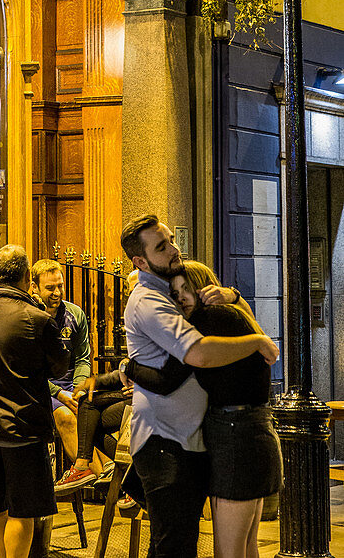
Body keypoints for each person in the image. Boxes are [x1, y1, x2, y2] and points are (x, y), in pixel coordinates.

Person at [120, 215, 279, 558]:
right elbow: (194, 358)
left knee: (201, 543)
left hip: (212, 436)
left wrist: (235, 301)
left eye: (170, 240)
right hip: (170, 440)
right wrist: (256, 341)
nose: (174, 249)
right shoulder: (150, 301)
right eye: (162, 246)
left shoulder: (200, 311)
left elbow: (182, 367)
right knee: (177, 545)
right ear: (140, 261)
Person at [169, 261, 282, 558]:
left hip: (236, 435)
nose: (180, 297)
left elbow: (185, 365)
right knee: (246, 548)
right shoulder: (229, 314)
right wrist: (236, 297)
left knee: (228, 552)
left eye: (186, 289)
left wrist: (126, 370)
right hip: (251, 431)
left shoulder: (212, 318)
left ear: (205, 290)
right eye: (175, 291)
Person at [0, 244, 70, 558]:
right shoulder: (37, 318)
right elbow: (60, 366)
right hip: (21, 428)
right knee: (22, 511)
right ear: (27, 277)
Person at [30, 259, 107, 486]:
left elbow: (83, 358)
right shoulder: (28, 316)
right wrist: (59, 394)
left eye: (60, 286)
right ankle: (104, 481)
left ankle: (110, 472)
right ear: (34, 287)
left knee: (95, 408)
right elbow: (30, 370)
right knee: (65, 415)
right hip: (42, 390)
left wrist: (79, 388)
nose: (57, 292)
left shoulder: (75, 314)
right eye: (50, 288)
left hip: (71, 387)